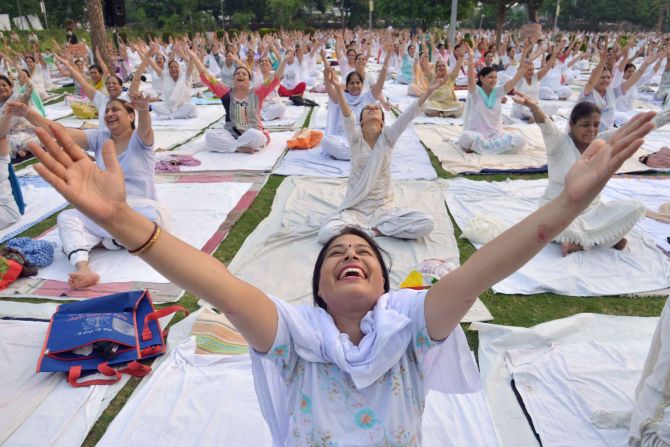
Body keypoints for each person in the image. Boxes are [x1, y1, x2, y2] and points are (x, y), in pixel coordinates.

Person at [29, 88, 655, 445]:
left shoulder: (412, 326)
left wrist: (572, 202)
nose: (351, 255)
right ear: (320, 291)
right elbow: (210, 280)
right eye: (337, 255)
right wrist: (124, 225)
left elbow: (481, 270)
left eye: (363, 256)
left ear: (386, 285)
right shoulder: (294, 337)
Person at [6, 92, 166, 289]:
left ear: (130, 116)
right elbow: (61, 132)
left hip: (140, 210)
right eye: (106, 111)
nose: (109, 114)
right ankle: (84, 267)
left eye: (115, 109)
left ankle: (106, 242)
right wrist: (27, 113)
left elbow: (145, 127)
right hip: (107, 210)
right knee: (67, 217)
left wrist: (143, 109)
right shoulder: (100, 137)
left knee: (151, 221)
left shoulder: (140, 139)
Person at [514, 92, 670, 255]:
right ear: (572, 124)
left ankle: (586, 241)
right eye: (585, 125)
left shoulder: (602, 142)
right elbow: (545, 123)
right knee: (550, 226)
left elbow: (633, 129)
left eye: (596, 125)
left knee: (635, 208)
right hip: (558, 210)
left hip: (592, 212)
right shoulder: (558, 142)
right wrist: (533, 107)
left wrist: (664, 117)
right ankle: (601, 240)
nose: (592, 130)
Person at [317, 71, 445, 244]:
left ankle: (372, 232)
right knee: (326, 233)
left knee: (426, 223)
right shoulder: (356, 139)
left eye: (376, 109)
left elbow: (408, 115)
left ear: (382, 122)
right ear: (360, 122)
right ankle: (372, 231)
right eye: (368, 109)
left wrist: (428, 91)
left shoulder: (388, 137)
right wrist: (340, 90)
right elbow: (347, 117)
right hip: (355, 209)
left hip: (383, 209)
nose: (372, 108)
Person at [191, 49, 288, 153]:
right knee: (210, 135)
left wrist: (285, 60)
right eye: (237, 74)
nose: (240, 75)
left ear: (249, 80)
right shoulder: (225, 92)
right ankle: (238, 147)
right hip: (232, 134)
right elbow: (208, 77)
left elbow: (275, 78)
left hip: (253, 131)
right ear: (234, 79)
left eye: (244, 74)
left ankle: (231, 146)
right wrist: (195, 59)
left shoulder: (257, 92)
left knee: (256, 135)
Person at [458, 47, 529, 155]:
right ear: (481, 78)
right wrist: (471, 59)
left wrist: (524, 68)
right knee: (465, 138)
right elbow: (471, 79)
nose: (494, 80)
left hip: (497, 135)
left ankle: (481, 148)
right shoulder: (476, 92)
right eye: (490, 77)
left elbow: (514, 80)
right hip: (478, 134)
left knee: (521, 140)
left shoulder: (498, 92)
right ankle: (494, 148)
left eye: (495, 78)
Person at [321, 49, 390, 161]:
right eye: (352, 83)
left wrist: (386, 61)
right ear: (347, 86)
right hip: (343, 140)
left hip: (363, 139)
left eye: (358, 83)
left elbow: (380, 84)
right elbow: (329, 89)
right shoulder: (342, 97)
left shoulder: (368, 97)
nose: (355, 85)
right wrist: (326, 75)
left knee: (385, 136)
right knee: (326, 142)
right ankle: (364, 154)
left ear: (362, 85)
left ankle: (361, 153)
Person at [580, 47, 656, 131]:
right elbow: (590, 82)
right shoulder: (588, 91)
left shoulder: (611, 93)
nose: (606, 80)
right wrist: (601, 64)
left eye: (608, 77)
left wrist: (644, 65)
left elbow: (631, 81)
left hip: (605, 131)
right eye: (602, 77)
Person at [254, 55, 287, 121]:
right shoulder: (255, 76)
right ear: (259, 66)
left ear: (270, 65)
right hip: (261, 104)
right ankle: (265, 115)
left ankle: (262, 117)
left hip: (274, 104)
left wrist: (285, 59)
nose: (264, 62)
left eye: (266, 61)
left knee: (282, 107)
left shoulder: (275, 75)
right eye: (262, 61)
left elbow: (281, 68)